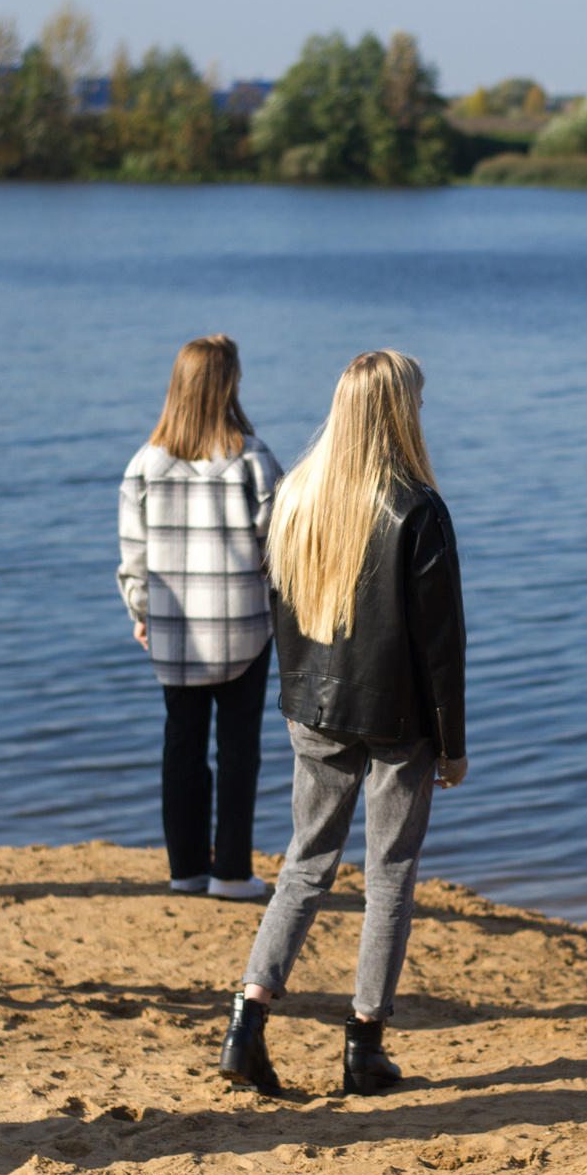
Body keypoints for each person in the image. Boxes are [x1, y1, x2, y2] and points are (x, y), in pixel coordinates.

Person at [215, 351, 465, 1098]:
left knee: (305, 862)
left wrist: (299, 701)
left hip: (313, 710)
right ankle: (363, 1043)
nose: (421, 412)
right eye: (416, 401)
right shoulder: (417, 508)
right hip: (398, 719)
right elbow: (441, 645)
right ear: (398, 410)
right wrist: (452, 745)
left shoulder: (296, 496)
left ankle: (246, 1022)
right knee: (390, 875)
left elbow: (285, 613)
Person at [117, 335, 285, 900]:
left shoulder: (145, 465)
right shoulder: (253, 460)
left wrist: (142, 611)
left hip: (176, 631)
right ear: (229, 384)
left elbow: (133, 558)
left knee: (181, 746)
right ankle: (232, 872)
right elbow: (280, 548)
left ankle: (186, 869)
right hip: (243, 628)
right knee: (239, 749)